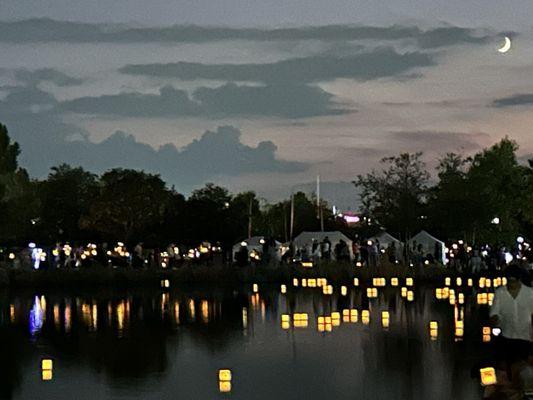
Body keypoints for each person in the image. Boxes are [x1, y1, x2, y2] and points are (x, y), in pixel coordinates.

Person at [490, 264, 533, 382]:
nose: (511, 284)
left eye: (513, 281)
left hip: (525, 338)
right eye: (509, 281)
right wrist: (495, 322)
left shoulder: (530, 294)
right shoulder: (500, 293)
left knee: (524, 370)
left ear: (519, 280)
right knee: (506, 369)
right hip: (506, 337)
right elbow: (494, 313)